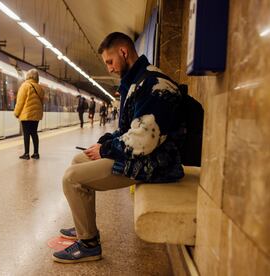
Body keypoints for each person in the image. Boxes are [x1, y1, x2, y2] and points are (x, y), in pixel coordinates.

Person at [52, 32, 184, 263]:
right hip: (146, 156)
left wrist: (105, 150)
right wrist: (104, 142)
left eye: (110, 61)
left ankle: (89, 244)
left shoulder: (153, 84)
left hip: (157, 163)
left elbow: (143, 140)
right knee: (79, 161)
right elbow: (128, 129)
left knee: (72, 178)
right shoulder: (137, 82)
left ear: (123, 52)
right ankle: (84, 226)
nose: (110, 68)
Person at [14, 69, 44, 160]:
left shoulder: (25, 86)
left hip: (26, 114)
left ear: (28, 76)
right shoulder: (40, 88)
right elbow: (42, 102)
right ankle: (36, 153)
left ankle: (26, 154)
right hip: (36, 115)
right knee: (34, 133)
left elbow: (20, 101)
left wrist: (16, 112)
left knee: (26, 134)